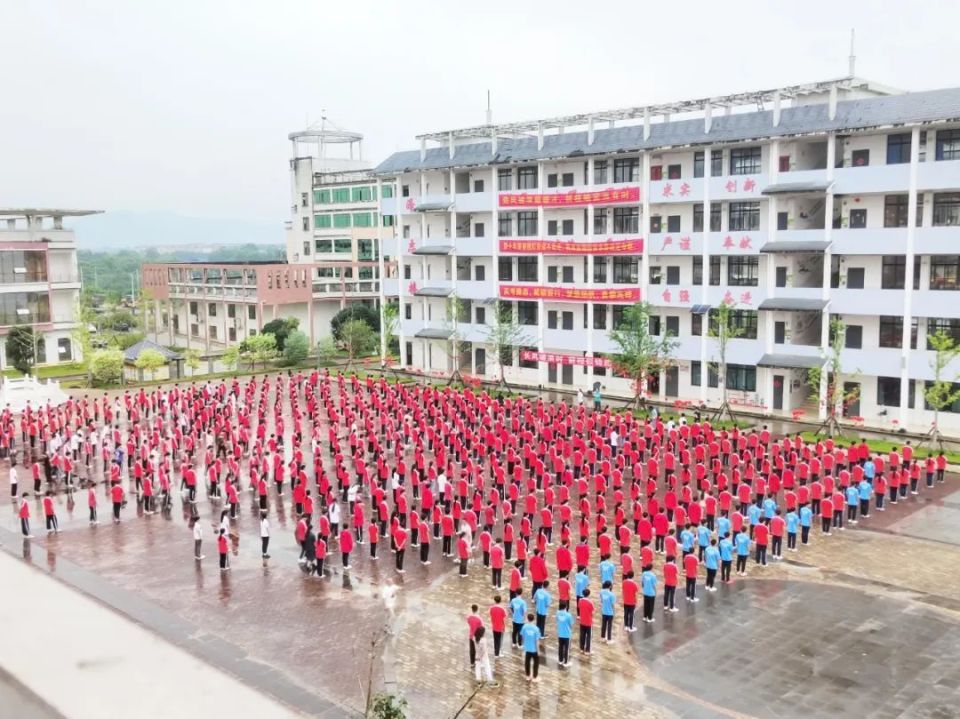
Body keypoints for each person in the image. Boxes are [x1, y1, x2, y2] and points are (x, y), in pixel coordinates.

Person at [520, 613, 542, 682]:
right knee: (536, 663)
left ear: (527, 619)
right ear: (534, 619)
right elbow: (537, 641)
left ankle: (528, 676)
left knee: (527, 662)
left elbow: (522, 636)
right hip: (534, 649)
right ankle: (535, 677)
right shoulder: (536, 629)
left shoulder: (524, 627)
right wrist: (538, 651)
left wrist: (524, 644)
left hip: (527, 648)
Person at [578, 588, 594, 653]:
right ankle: (587, 650)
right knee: (589, 636)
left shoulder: (580, 600)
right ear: (589, 594)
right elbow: (592, 612)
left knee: (582, 635)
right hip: (588, 621)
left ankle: (581, 648)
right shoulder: (590, 602)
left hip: (582, 621)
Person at [467, 604, 483, 669]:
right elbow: (481, 627)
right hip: (477, 636)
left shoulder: (469, 617)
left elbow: (468, 622)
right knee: (479, 650)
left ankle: (472, 663)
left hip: (471, 635)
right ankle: (479, 662)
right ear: (477, 610)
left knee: (472, 650)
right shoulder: (479, 619)